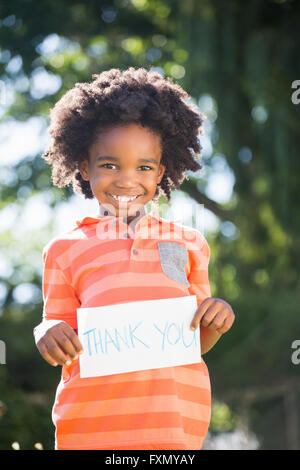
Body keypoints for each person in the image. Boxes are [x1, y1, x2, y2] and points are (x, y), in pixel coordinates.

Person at [33, 67, 235, 450]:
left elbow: (195, 339)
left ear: (160, 172)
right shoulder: (64, 249)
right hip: (91, 430)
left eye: (143, 167)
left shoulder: (189, 243)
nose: (127, 179)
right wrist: (45, 333)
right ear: (84, 167)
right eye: (109, 165)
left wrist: (216, 317)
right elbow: (55, 329)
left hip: (173, 431)